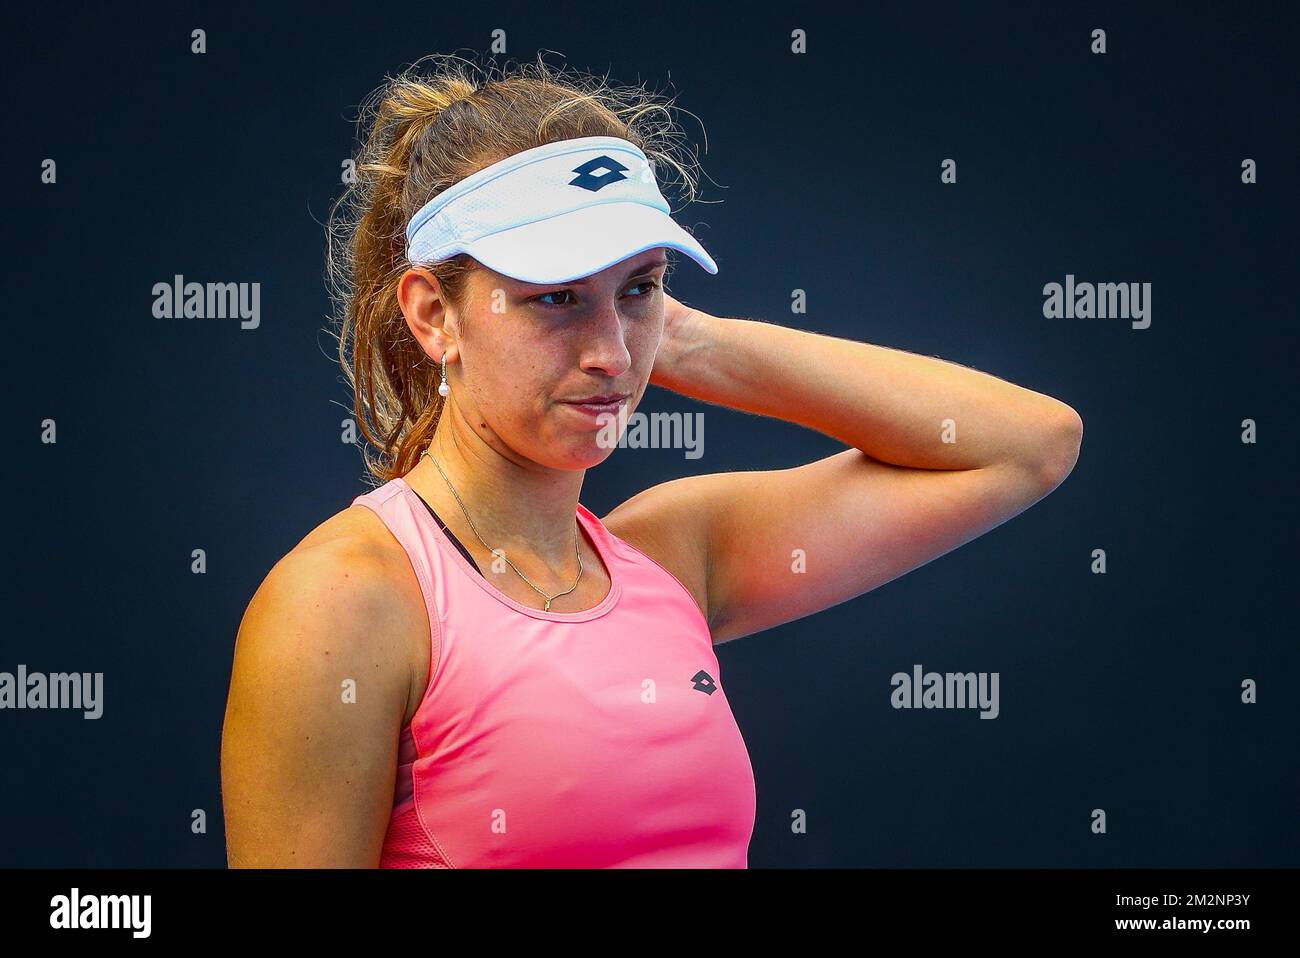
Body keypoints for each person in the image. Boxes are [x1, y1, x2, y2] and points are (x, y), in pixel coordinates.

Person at [220, 53, 1083, 868]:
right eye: (555, 297)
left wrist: (686, 341)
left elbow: (1028, 445)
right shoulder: (346, 600)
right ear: (434, 316)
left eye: (640, 286)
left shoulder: (672, 556)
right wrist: (628, 311)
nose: (610, 353)